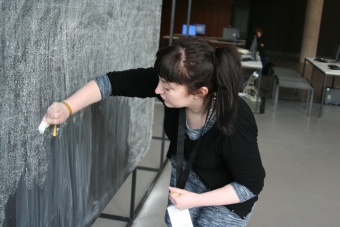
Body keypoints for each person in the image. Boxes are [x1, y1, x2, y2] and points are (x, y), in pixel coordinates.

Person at [43, 37, 265, 227]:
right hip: (185, 183)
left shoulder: (235, 123)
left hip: (226, 198)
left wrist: (196, 200)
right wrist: (67, 107)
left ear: (199, 92)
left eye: (167, 88)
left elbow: (250, 186)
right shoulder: (172, 80)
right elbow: (111, 82)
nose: (158, 90)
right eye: (160, 82)